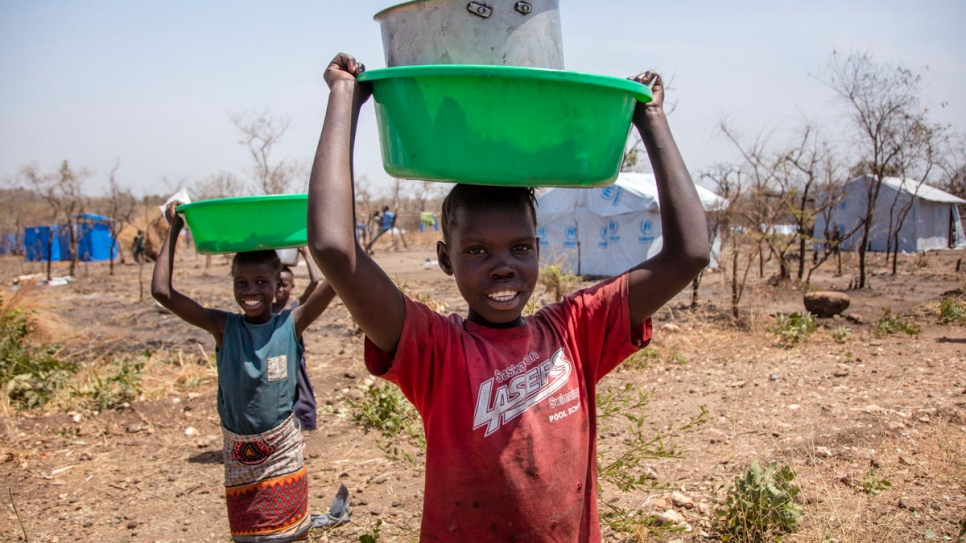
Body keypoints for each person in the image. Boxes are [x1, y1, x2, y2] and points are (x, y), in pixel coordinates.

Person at [307, 53, 710, 542]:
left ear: (538, 249)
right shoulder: (434, 351)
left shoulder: (576, 331)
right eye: (477, 250)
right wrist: (344, 98)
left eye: (520, 247)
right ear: (445, 258)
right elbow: (332, 246)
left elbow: (689, 253)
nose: (504, 265)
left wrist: (650, 118)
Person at [152, 202, 337, 543]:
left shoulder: (292, 323)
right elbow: (162, 292)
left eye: (261, 281)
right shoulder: (222, 326)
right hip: (238, 453)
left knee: (291, 533)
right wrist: (175, 228)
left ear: (278, 282)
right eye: (242, 282)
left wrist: (316, 232)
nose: (250, 290)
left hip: (282, 449)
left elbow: (337, 274)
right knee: (248, 536)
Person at [272, 247, 321, 431]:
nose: (280, 288)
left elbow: (315, 281)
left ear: (292, 286)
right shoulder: (265, 312)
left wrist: (306, 254)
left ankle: (305, 422)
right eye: (276, 284)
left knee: (301, 390)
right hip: (274, 360)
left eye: (284, 284)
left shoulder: (295, 307)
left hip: (294, 359)